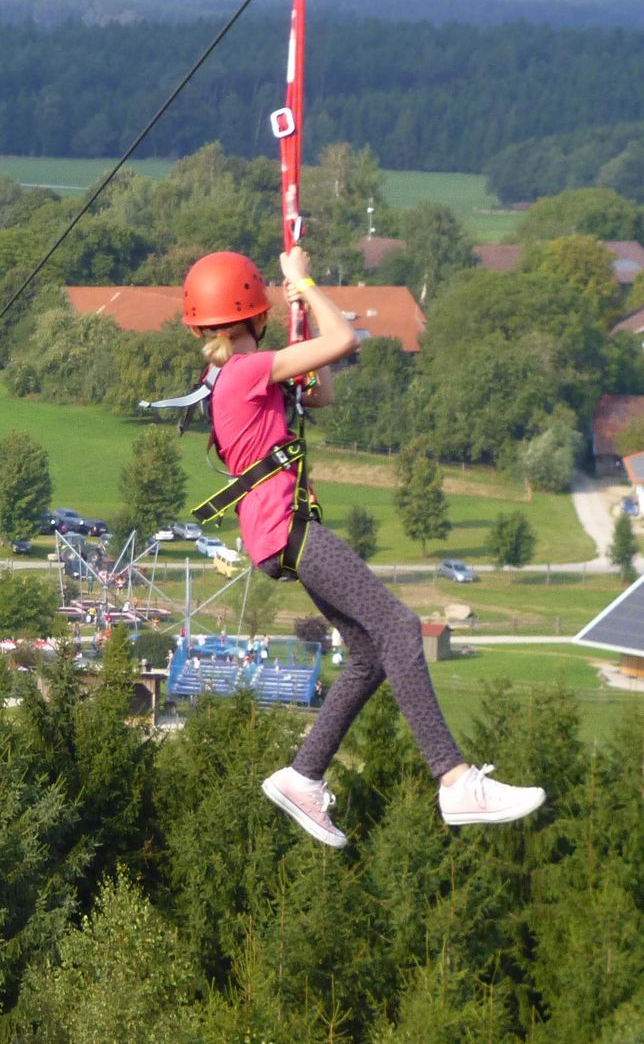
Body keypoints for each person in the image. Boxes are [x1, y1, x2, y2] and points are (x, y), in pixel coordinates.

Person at [182, 247, 543, 846]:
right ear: (255, 314)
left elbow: (320, 393)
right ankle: (455, 781)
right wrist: (306, 282)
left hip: (280, 534)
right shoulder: (249, 372)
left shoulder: (236, 375)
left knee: (369, 653)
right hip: (289, 531)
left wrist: (303, 321)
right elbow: (345, 339)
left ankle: (303, 775)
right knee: (399, 628)